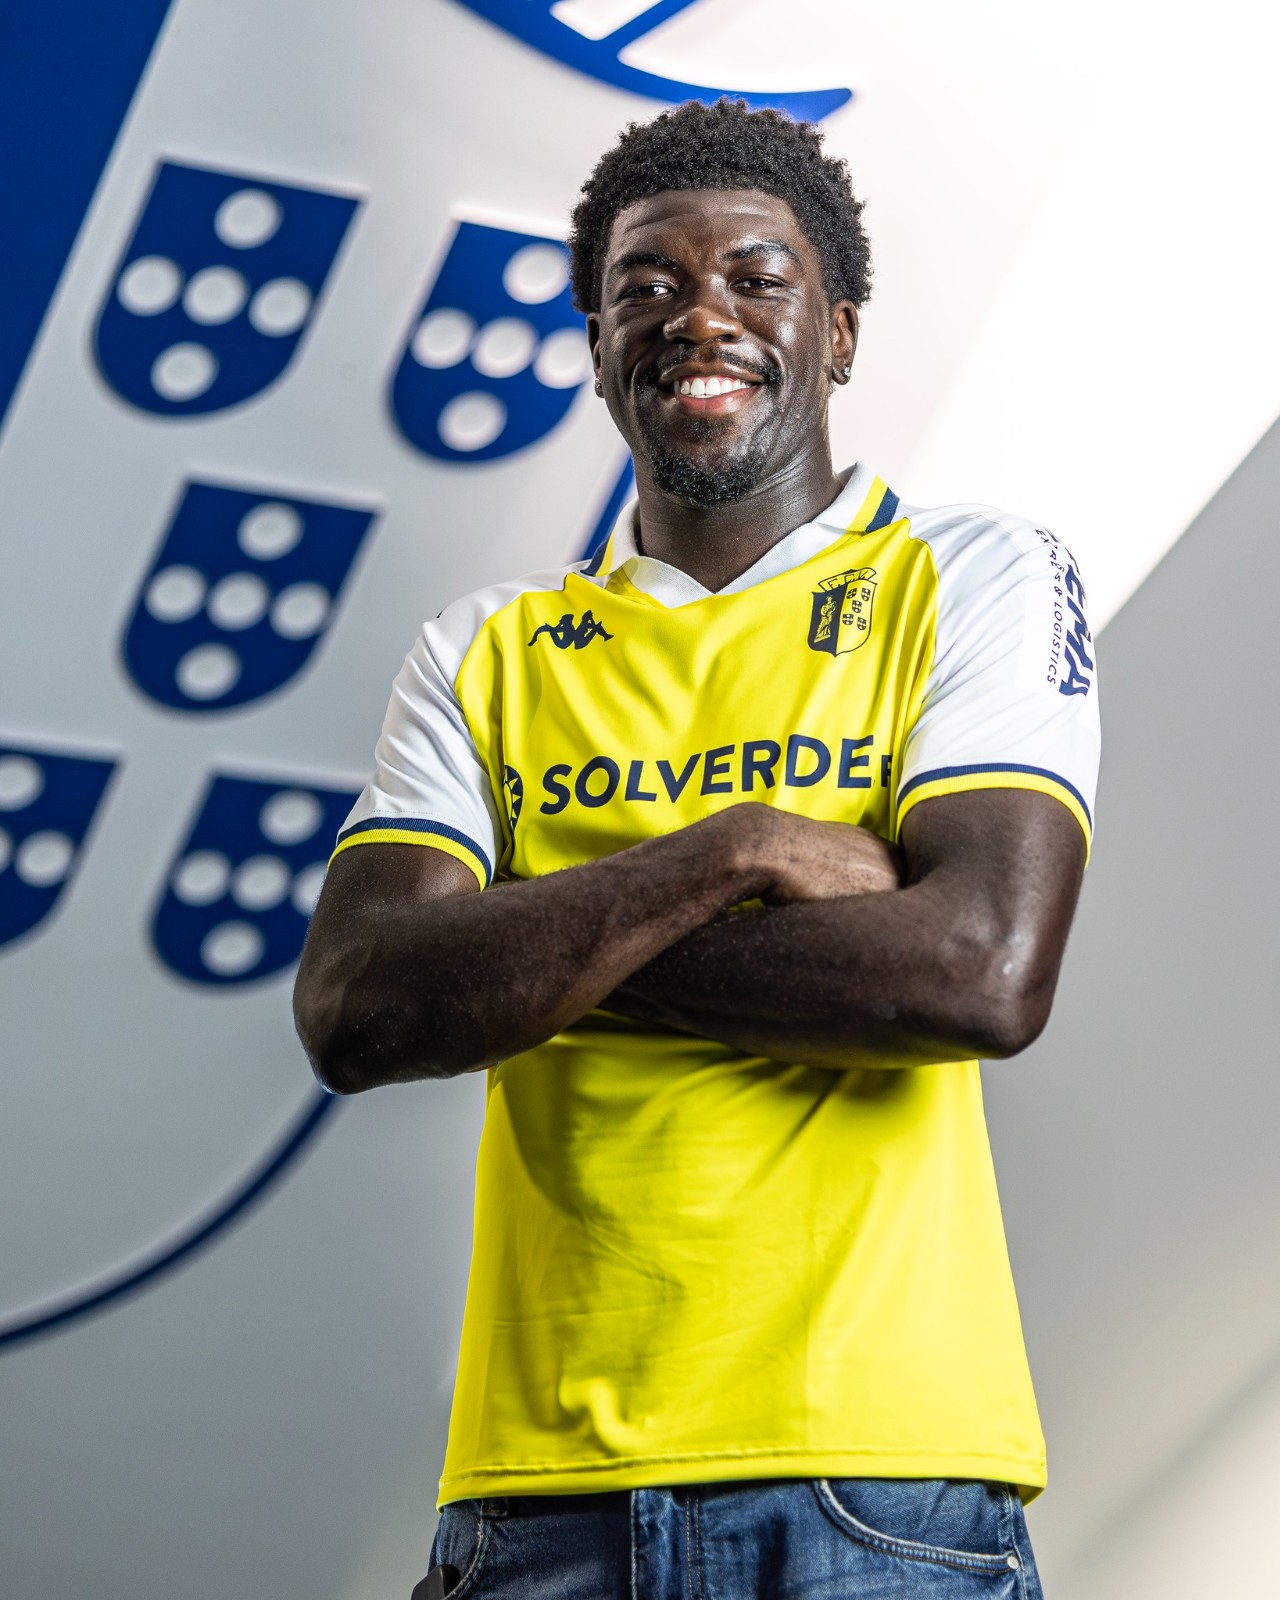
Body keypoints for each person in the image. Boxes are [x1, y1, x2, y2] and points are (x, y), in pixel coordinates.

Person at [294, 99, 1099, 1599]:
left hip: (879, 1477)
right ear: (600, 346)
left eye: (756, 277)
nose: (698, 315)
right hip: (537, 1498)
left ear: (838, 334)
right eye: (645, 287)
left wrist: (528, 946)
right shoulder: (486, 649)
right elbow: (358, 1007)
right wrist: (729, 853)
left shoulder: (969, 575)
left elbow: (979, 972)